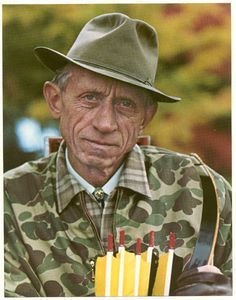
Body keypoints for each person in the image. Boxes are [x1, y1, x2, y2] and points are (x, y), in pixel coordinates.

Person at [4, 13, 232, 297]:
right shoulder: (9, 200)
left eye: (125, 104)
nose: (105, 123)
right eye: (90, 98)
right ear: (55, 100)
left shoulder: (203, 191)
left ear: (146, 117)